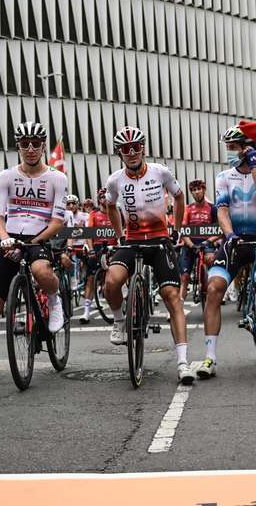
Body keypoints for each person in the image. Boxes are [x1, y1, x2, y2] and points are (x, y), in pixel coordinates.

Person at [0, 122, 69, 390]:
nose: (30, 149)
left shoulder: (57, 178)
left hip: (40, 236)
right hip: (10, 238)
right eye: (24, 144)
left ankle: (55, 302)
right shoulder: (7, 176)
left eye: (35, 143)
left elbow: (57, 221)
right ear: (18, 146)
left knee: (42, 271)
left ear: (43, 145)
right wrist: (4, 236)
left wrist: (37, 240)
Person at [193, 126, 256, 380]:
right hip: (235, 241)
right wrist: (229, 235)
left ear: (248, 147)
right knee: (214, 289)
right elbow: (223, 210)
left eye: (233, 147)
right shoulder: (224, 176)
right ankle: (209, 358)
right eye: (227, 147)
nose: (229, 152)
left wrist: (255, 166)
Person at [102, 126, 195, 385]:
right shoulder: (114, 180)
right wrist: (118, 233)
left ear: (143, 148)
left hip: (159, 240)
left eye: (136, 147)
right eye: (125, 149)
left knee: (172, 297)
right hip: (132, 241)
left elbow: (178, 197)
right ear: (119, 153)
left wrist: (176, 230)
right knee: (111, 280)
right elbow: (110, 205)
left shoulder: (160, 172)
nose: (131, 153)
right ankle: (120, 321)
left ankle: (183, 363)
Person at [178, 179, 219, 301]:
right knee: (184, 277)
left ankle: (212, 294)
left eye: (199, 189)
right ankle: (179, 307)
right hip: (190, 244)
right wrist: (190, 245)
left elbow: (220, 230)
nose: (196, 192)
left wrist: (210, 241)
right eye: (194, 190)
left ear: (204, 190)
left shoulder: (213, 208)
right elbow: (183, 230)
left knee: (210, 260)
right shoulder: (188, 209)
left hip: (207, 243)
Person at [81, 188, 114, 323]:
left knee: (112, 279)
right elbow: (88, 233)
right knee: (90, 278)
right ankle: (86, 312)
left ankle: (120, 307)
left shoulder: (115, 213)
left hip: (112, 248)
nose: (105, 200)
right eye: (102, 197)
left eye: (107, 197)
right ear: (99, 199)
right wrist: (90, 249)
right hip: (97, 247)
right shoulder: (94, 214)